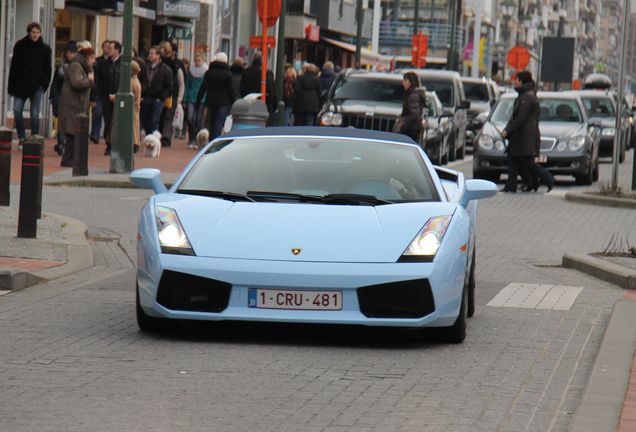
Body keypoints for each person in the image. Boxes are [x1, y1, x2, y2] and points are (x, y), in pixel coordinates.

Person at [501, 71, 550, 193]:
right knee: (514, 160)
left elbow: (520, 118)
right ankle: (514, 185)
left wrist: (507, 130)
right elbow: (515, 117)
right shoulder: (524, 95)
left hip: (524, 136)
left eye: (517, 80)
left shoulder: (527, 97)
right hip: (520, 136)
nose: (515, 82)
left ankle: (548, 179)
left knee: (528, 163)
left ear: (522, 81)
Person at [7, 22, 52, 149]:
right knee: (17, 110)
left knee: (34, 113)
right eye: (33, 32)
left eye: (38, 32)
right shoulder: (20, 46)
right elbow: (14, 67)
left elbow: (48, 69)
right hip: (20, 85)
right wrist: (11, 86)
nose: (35, 35)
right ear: (28, 32)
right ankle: (22, 137)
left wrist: (44, 85)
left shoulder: (45, 49)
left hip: (37, 86)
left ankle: (34, 139)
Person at [58, 42, 95, 167]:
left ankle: (70, 159)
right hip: (72, 105)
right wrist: (89, 81)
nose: (94, 61)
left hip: (77, 105)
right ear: (86, 57)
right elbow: (77, 83)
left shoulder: (82, 66)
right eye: (92, 58)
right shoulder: (75, 66)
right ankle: (68, 159)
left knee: (73, 133)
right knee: (71, 133)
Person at [196, 52, 234, 140]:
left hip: (211, 100)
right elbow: (230, 90)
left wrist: (198, 100)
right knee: (219, 122)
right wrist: (233, 102)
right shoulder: (228, 74)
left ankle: (211, 139)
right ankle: (215, 140)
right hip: (224, 102)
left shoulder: (209, 72)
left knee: (212, 121)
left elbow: (203, 87)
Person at [50, 40, 77, 156]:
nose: (69, 54)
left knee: (71, 123)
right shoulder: (60, 67)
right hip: (61, 98)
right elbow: (55, 83)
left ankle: (68, 144)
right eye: (67, 52)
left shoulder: (78, 66)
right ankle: (61, 144)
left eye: (71, 52)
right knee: (61, 122)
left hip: (74, 99)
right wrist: (53, 97)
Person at [140, 45, 173, 136]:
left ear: (158, 55)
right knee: (145, 119)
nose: (150, 55)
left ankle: (154, 139)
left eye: (152, 53)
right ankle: (149, 135)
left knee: (155, 119)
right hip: (146, 97)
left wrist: (162, 97)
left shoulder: (166, 69)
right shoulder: (145, 67)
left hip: (158, 98)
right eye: (149, 53)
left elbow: (169, 85)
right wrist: (142, 94)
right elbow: (142, 80)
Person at [158, 41, 185, 147]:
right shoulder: (157, 63)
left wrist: (180, 97)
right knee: (161, 115)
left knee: (168, 116)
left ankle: (166, 137)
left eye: (163, 49)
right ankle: (161, 135)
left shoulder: (175, 65)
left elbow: (181, 83)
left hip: (171, 94)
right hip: (160, 94)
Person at [99, 40, 122, 155]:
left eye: (111, 48)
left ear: (117, 50)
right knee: (108, 121)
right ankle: (109, 144)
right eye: (107, 48)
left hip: (119, 98)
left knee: (117, 121)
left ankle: (116, 144)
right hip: (106, 97)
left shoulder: (123, 64)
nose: (108, 50)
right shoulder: (103, 64)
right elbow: (99, 81)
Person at [184, 52, 208, 148]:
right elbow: (187, 85)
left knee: (198, 120)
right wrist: (185, 99)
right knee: (190, 118)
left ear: (203, 61)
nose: (197, 63)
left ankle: (198, 140)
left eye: (199, 61)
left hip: (202, 99)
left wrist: (206, 99)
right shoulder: (191, 71)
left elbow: (206, 86)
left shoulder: (206, 71)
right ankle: (191, 138)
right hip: (191, 97)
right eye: (196, 61)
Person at [90, 40, 110, 144]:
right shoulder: (97, 61)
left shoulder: (113, 62)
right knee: (97, 113)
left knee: (107, 117)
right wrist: (92, 96)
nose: (107, 48)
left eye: (109, 47)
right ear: (102, 48)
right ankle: (95, 135)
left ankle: (107, 136)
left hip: (108, 94)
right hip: (99, 92)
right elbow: (95, 79)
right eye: (105, 46)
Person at [397, 72, 427, 143]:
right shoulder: (412, 94)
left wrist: (403, 124)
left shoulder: (414, 95)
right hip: (413, 129)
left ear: (411, 82)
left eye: (405, 81)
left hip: (411, 130)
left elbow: (415, 115)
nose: (403, 83)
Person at [131, 60, 142, 154]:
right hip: (135, 107)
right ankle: (135, 143)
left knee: (133, 127)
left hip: (133, 108)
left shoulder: (133, 83)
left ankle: (135, 144)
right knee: (135, 126)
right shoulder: (136, 82)